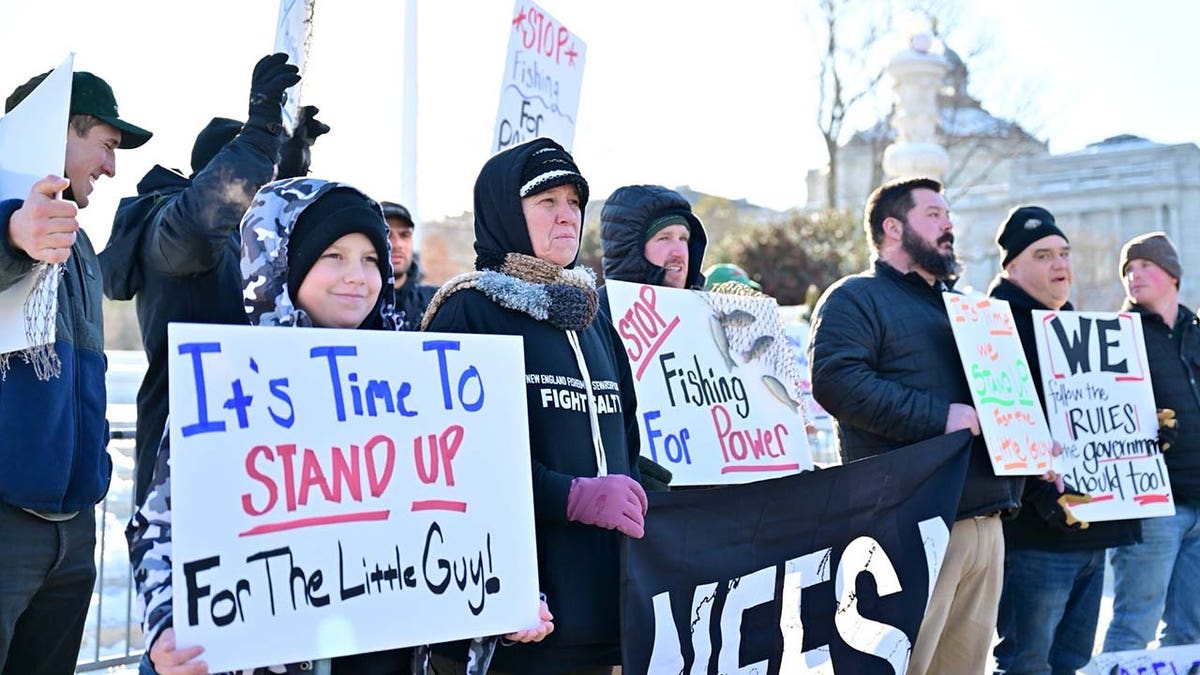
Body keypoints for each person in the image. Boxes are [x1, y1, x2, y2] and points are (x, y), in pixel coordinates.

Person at [127, 178, 553, 675]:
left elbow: (473, 511)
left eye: (371, 260)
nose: (357, 276)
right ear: (285, 262)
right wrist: (164, 629)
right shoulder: (231, 384)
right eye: (334, 255)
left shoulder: (422, 385)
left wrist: (512, 591)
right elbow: (158, 526)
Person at [423, 137, 644, 675]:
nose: (567, 216)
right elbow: (450, 467)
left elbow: (629, 449)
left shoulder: (592, 319)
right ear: (506, 212)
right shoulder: (469, 311)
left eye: (573, 202)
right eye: (547, 202)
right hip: (517, 623)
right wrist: (569, 496)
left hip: (607, 618)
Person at [807, 176, 1022, 675]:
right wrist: (940, 418)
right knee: (902, 666)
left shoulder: (967, 308)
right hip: (911, 522)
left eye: (949, 216)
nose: (949, 226)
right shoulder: (854, 298)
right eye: (933, 215)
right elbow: (837, 382)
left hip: (986, 521)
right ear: (892, 227)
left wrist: (1029, 441)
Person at [98, 53, 331, 508]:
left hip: (259, 464)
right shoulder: (171, 230)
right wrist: (263, 129)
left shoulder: (253, 244)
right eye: (263, 176)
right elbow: (209, 216)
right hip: (186, 469)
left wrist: (295, 165)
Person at [0, 69, 150, 674]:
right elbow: (11, 240)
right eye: (106, 145)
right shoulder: (24, 223)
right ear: (57, 129)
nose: (111, 168)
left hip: (74, 530)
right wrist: (12, 233)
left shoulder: (80, 244)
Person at [987, 206, 1140, 675]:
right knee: (1027, 663)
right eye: (1044, 255)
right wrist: (1037, 494)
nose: (1061, 265)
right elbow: (999, 424)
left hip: (1093, 528)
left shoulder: (1083, 333)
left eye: (1064, 254)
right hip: (1035, 534)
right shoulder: (992, 330)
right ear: (1012, 267)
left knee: (1071, 662)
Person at [1103, 232, 1200, 651]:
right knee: (1132, 629)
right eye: (1127, 269)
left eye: (1144, 265)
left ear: (1172, 275)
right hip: (1151, 506)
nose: (1133, 275)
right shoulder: (1112, 337)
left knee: (1189, 634)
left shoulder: (1196, 332)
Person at [379, 201, 437, 328]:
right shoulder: (355, 304)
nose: (398, 244)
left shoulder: (437, 301)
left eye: (405, 235)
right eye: (387, 234)